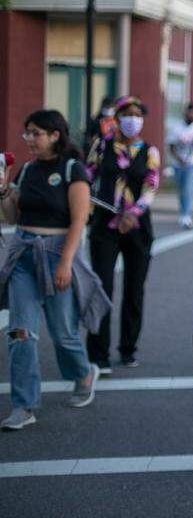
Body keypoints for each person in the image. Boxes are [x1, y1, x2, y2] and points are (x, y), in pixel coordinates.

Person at [0, 110, 109, 431]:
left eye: (36, 133)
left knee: (63, 334)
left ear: (54, 135)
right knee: (20, 333)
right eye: (27, 133)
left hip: (57, 253)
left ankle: (83, 373)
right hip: (24, 256)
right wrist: (5, 190)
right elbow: (10, 217)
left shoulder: (72, 170)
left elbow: (79, 220)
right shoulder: (28, 170)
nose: (30, 139)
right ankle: (24, 404)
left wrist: (65, 262)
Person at [85, 96, 161, 372]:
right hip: (105, 225)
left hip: (137, 228)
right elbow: (87, 176)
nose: (132, 119)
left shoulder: (150, 151)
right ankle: (98, 354)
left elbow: (151, 186)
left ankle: (128, 348)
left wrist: (134, 213)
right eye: (126, 113)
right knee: (101, 287)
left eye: (137, 114)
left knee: (134, 289)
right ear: (116, 118)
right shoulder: (102, 146)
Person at [169, 106, 193, 228]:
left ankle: (187, 216)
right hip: (179, 164)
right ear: (186, 113)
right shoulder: (176, 127)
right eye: (191, 113)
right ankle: (183, 213)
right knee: (181, 190)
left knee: (188, 188)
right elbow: (171, 146)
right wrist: (179, 159)